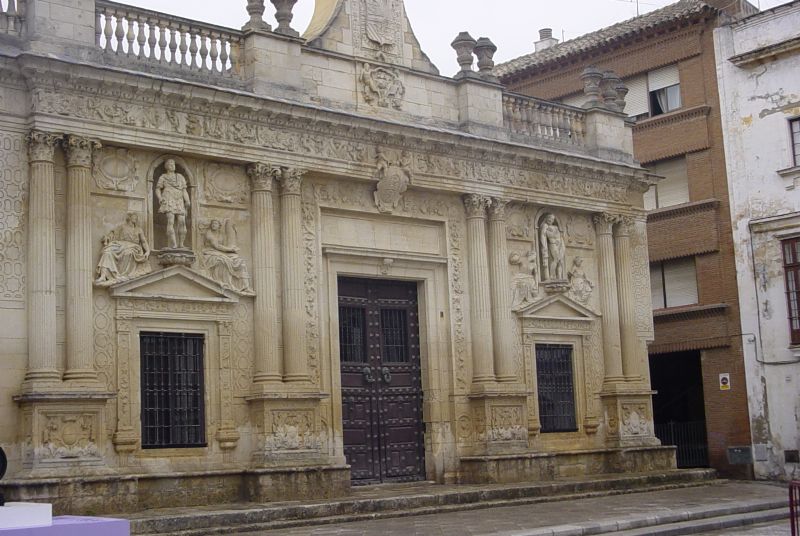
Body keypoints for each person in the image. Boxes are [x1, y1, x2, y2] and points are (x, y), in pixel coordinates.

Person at [95, 213, 151, 286]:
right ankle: (103, 276)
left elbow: (143, 241)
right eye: (134, 217)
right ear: (129, 218)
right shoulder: (122, 227)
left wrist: (147, 251)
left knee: (128, 253)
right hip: (120, 244)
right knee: (107, 252)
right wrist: (107, 238)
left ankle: (123, 275)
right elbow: (112, 233)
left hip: (133, 247)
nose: (136, 219)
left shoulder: (138, 229)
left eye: (136, 218)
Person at [201, 219, 254, 295]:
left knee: (240, 261)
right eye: (212, 223)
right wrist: (230, 249)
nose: (213, 225)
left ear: (219, 226)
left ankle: (245, 286)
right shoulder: (209, 234)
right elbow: (217, 246)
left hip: (221, 252)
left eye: (215, 223)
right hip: (210, 253)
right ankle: (229, 285)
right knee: (223, 261)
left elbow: (229, 244)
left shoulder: (221, 235)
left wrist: (235, 232)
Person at [155, 159, 190, 249]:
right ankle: (173, 244)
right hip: (168, 197)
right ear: (166, 166)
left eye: (173, 164)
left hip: (179, 199)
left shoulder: (180, 177)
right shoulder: (163, 177)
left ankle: (181, 244)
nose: (173, 165)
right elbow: (158, 188)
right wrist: (160, 198)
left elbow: (184, 190)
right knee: (170, 221)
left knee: (182, 221)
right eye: (170, 164)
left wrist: (187, 200)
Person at [539, 213, 566, 281]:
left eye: (552, 219)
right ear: (547, 219)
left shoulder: (556, 227)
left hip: (559, 244)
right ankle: (551, 276)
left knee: (560, 261)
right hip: (553, 244)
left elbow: (559, 235)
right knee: (556, 259)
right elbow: (544, 235)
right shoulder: (545, 226)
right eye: (549, 218)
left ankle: (559, 277)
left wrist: (558, 240)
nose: (551, 220)